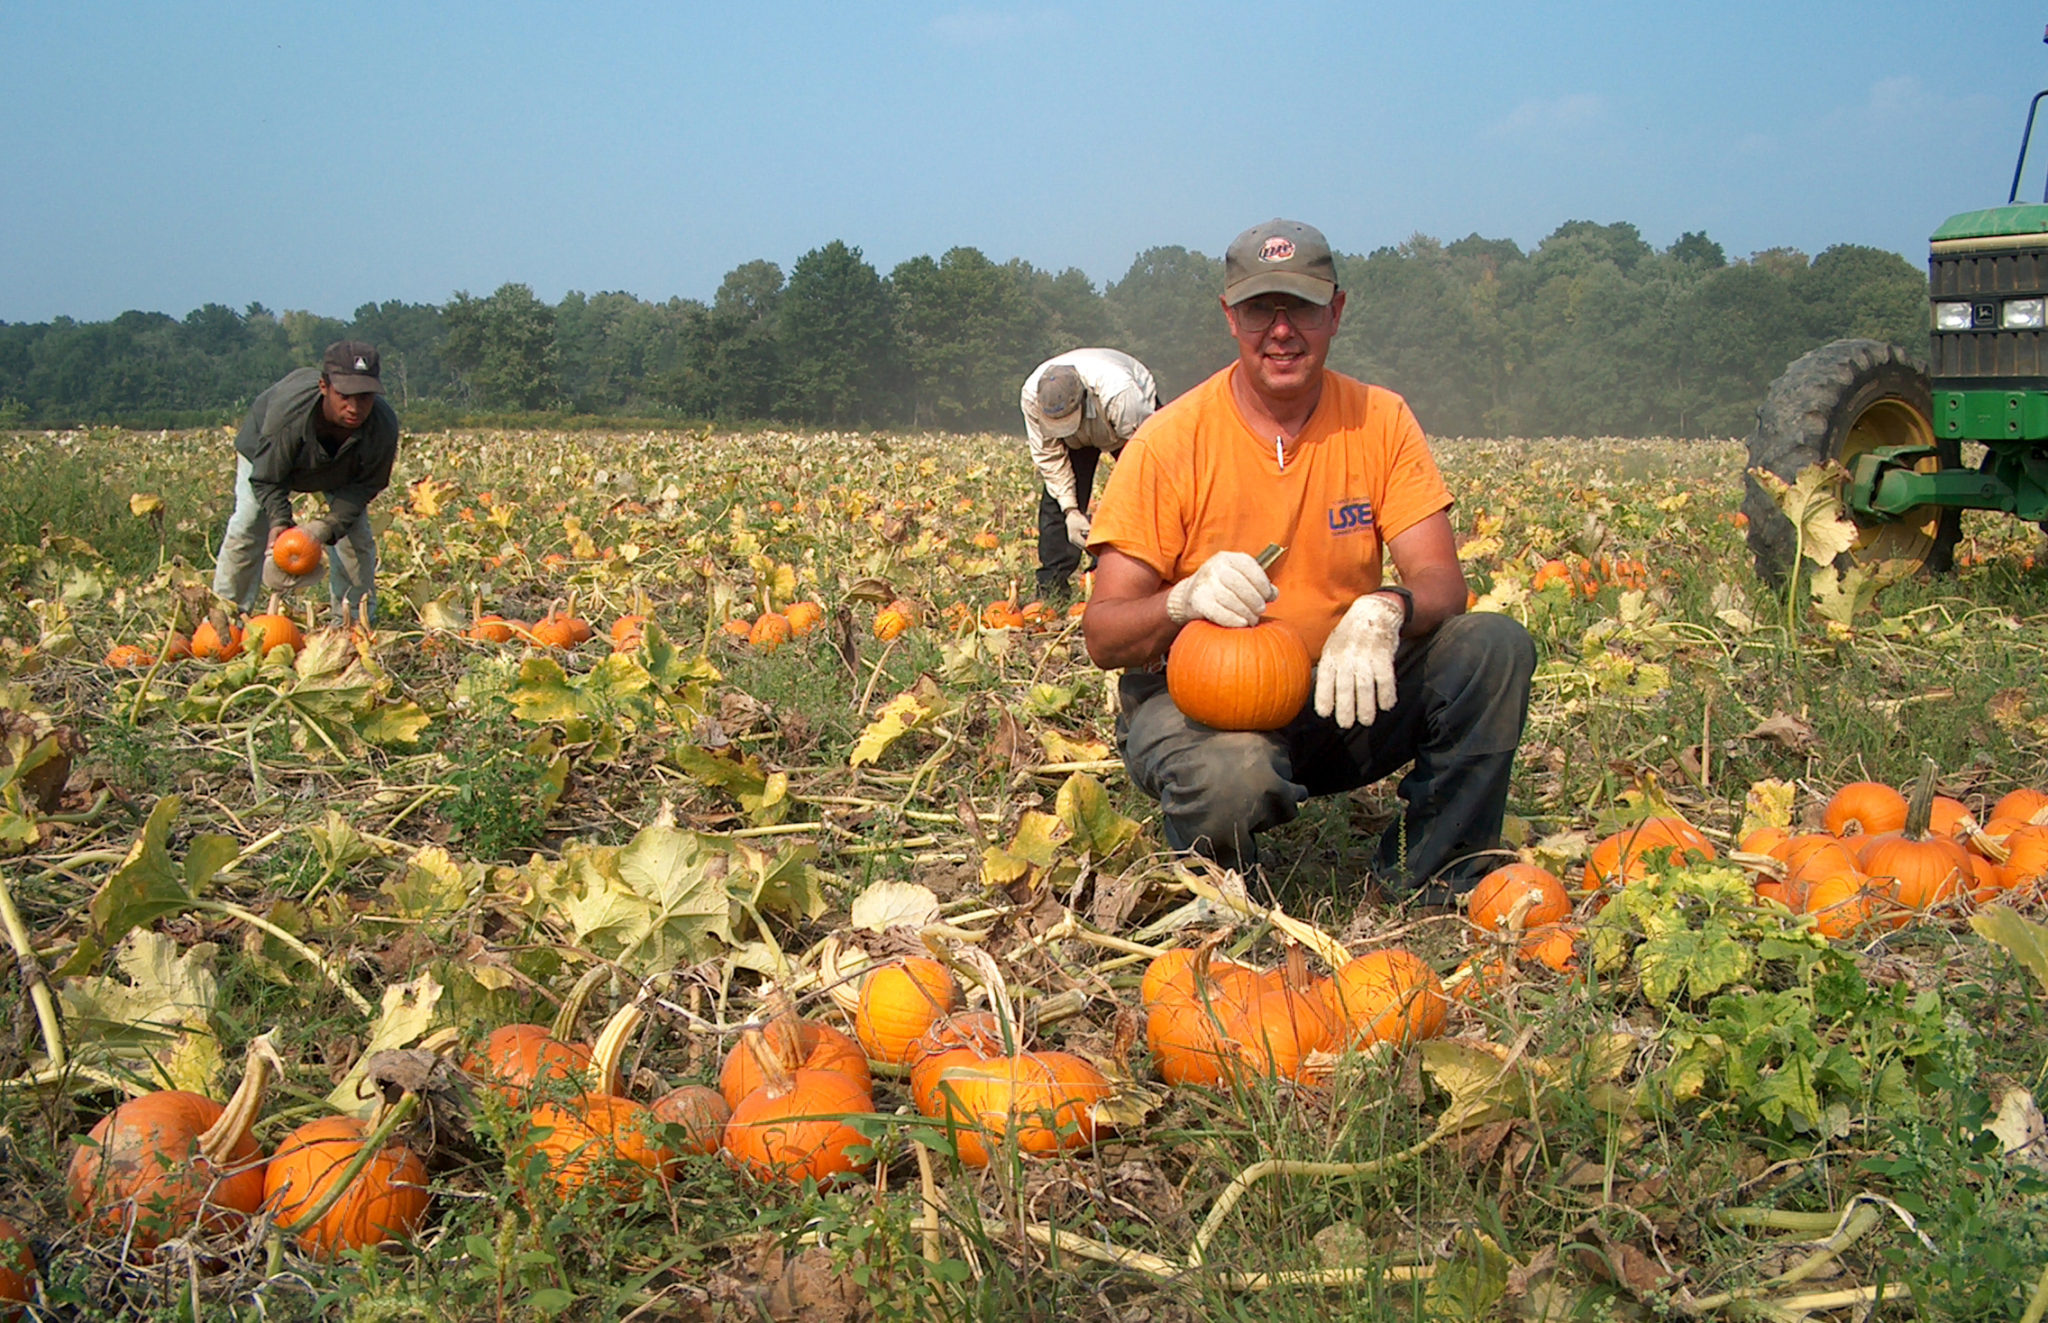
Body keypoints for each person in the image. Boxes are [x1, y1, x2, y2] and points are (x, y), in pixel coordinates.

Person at [1081, 219, 1536, 902]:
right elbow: (1104, 632)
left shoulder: (1379, 421)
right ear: (1230, 316)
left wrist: (1388, 606)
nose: (1283, 329)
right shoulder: (1167, 443)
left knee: (1494, 647)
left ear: (1338, 311)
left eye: (1303, 307)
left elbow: (1442, 580)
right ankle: (1225, 892)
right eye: (1262, 308)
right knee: (1232, 774)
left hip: (1341, 688)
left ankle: (1431, 870)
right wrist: (1181, 601)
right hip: (1203, 705)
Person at [212, 340, 399, 621]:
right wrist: (279, 521)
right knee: (249, 523)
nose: (355, 407)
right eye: (344, 395)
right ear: (324, 387)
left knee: (356, 537)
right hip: (267, 458)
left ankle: (353, 622)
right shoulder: (287, 417)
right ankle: (225, 617)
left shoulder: (382, 425)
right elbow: (266, 478)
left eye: (365, 397)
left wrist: (326, 526)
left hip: (341, 468)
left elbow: (367, 486)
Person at [1019, 349, 1160, 600]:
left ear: (1082, 400)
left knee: (1147, 496)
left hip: (1127, 428)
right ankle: (1052, 586)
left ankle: (1137, 574)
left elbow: (1151, 454)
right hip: (1077, 438)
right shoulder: (1031, 397)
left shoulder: (1121, 396)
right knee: (1055, 506)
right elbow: (1050, 458)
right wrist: (1071, 511)